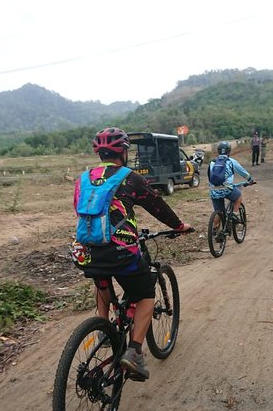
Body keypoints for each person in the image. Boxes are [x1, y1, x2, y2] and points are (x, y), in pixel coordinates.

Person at [71, 127, 192, 380]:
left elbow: (80, 210)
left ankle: (103, 327)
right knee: (146, 293)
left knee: (101, 278)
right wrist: (179, 227)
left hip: (87, 252)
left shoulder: (83, 179)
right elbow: (157, 206)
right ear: (124, 152)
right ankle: (135, 352)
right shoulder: (130, 178)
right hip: (120, 252)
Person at [208, 141, 255, 223]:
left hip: (213, 190)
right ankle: (234, 214)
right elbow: (243, 172)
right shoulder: (231, 161)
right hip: (227, 189)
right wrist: (250, 180)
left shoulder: (212, 162)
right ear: (229, 151)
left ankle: (214, 232)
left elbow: (210, 177)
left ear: (218, 151)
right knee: (238, 196)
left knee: (218, 212)